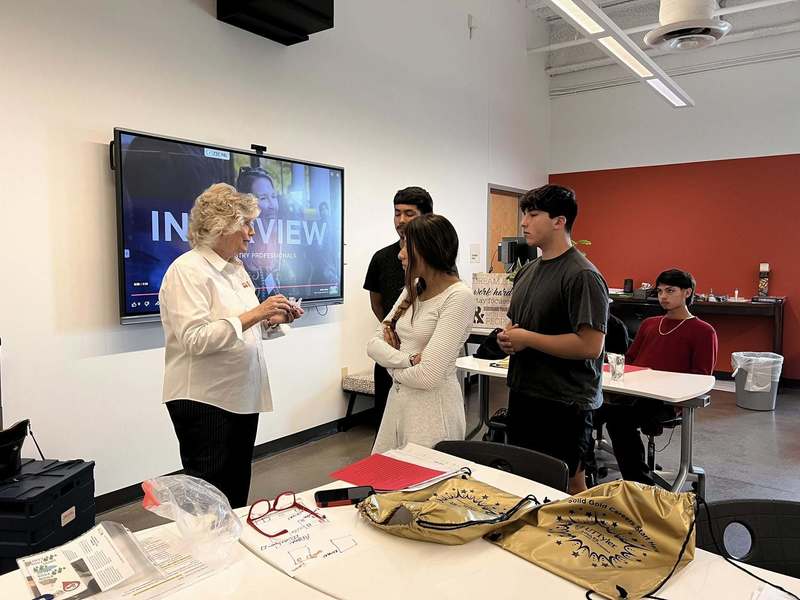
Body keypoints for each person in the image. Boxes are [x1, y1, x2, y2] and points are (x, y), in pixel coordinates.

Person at [159, 183, 304, 508]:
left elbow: (244, 329)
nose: (252, 233)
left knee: (236, 492)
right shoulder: (188, 270)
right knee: (210, 499)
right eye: (246, 224)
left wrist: (273, 320)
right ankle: (207, 557)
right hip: (205, 399)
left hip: (239, 396)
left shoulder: (235, 269)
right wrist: (256, 312)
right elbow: (194, 339)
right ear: (221, 227)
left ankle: (235, 553)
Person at [497, 185, 608, 495]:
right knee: (523, 476)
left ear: (559, 221)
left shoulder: (582, 274)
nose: (524, 223)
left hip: (564, 401)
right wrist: (509, 337)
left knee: (568, 482)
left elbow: (590, 345)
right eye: (524, 215)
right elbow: (516, 322)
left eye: (533, 215)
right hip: (525, 392)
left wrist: (527, 339)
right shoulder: (527, 271)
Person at [367, 214, 476, 453]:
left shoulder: (458, 297)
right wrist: (407, 361)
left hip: (432, 415)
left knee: (424, 486)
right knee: (386, 481)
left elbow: (428, 376)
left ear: (429, 249)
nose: (400, 253)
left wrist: (391, 366)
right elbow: (373, 344)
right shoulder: (413, 289)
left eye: (407, 245)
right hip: (398, 405)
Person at [603, 269, 718, 485]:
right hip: (633, 392)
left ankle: (640, 485)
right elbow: (630, 359)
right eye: (660, 291)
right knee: (588, 408)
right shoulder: (650, 324)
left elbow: (701, 377)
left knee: (619, 420)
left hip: (666, 400)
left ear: (687, 292)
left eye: (670, 291)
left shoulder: (703, 331)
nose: (663, 296)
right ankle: (583, 472)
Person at [363, 187, 433, 429]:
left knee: (419, 428)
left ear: (427, 217)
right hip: (389, 352)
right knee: (386, 425)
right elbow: (377, 303)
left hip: (424, 359)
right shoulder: (381, 258)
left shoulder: (438, 263)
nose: (401, 220)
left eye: (409, 213)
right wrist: (393, 332)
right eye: (397, 213)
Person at [236, 166, 281, 300]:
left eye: (274, 196)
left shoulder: (277, 245)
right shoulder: (233, 252)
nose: (273, 205)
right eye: (263, 198)